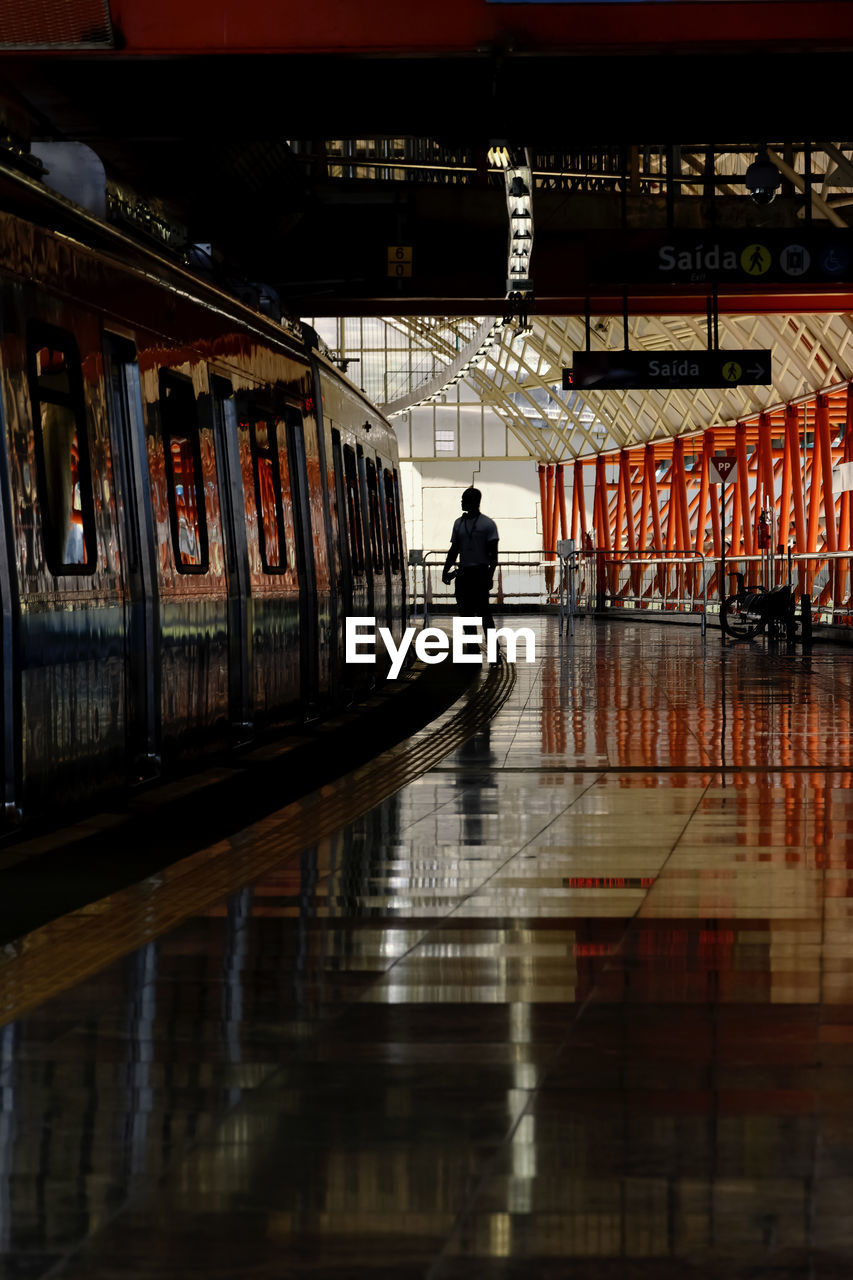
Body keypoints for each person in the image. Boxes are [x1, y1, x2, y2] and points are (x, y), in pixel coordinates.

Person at [441, 486, 499, 635]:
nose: (461, 503)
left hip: (479, 573)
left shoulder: (487, 525)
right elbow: (453, 550)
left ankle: (491, 651)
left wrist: (489, 576)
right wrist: (445, 570)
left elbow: (493, 556)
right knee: (466, 613)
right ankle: (475, 650)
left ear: (474, 502)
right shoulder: (459, 523)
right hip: (465, 573)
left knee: (484, 613)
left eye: (464, 500)